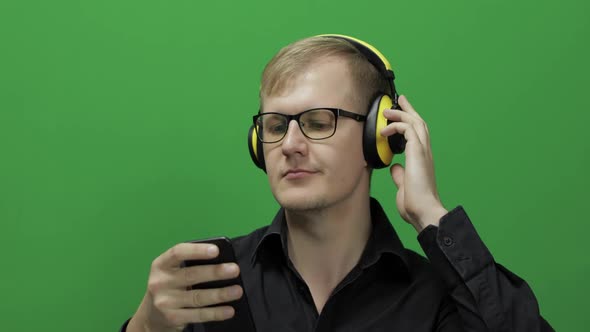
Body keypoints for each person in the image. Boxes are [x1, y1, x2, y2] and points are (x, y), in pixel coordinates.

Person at [121, 35, 553, 331]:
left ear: (378, 137)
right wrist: (144, 326)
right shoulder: (208, 285)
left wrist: (431, 215)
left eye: (317, 122)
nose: (289, 144)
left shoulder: (437, 296)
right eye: (274, 125)